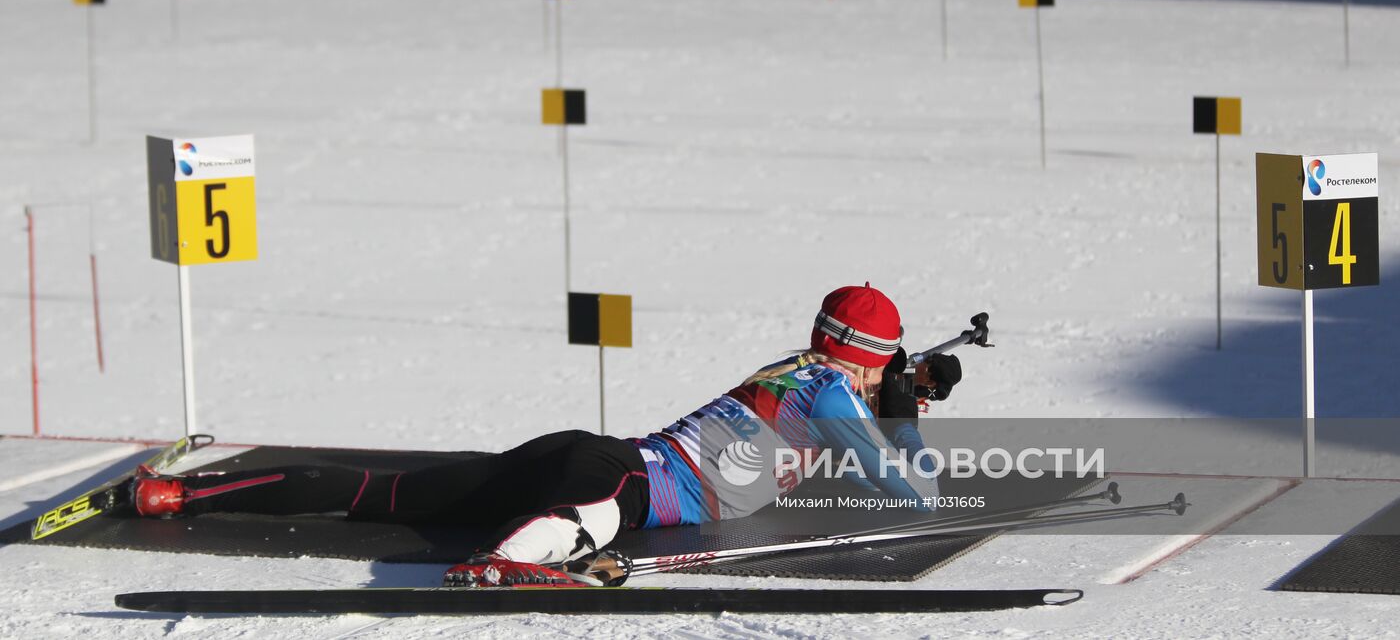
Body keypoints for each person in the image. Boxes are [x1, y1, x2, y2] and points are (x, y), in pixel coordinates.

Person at [127, 284, 962, 588]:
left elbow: (843, 411)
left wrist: (898, 389)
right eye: (884, 365)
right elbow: (912, 492)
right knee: (596, 522)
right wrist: (907, 412)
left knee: (379, 490)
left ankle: (177, 493)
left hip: (590, 449)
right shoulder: (835, 399)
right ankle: (507, 561)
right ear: (867, 360)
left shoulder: (797, 369)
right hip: (624, 481)